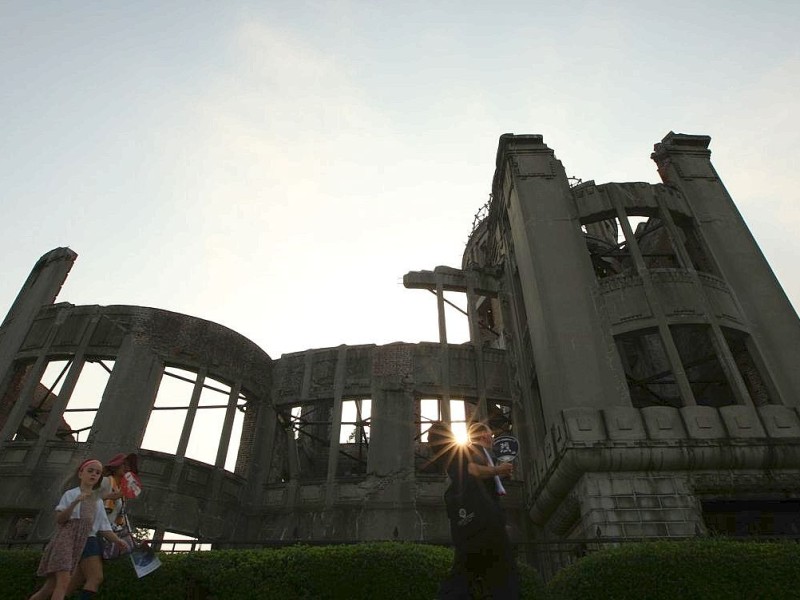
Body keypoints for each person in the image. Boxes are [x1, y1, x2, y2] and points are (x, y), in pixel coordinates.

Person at [437, 422, 518, 599]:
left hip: (475, 523)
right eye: (491, 434)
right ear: (484, 436)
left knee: (464, 573)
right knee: (503, 574)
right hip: (483, 521)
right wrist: (498, 470)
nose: (493, 437)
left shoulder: (479, 454)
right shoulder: (475, 450)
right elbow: (472, 469)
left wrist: (498, 473)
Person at [28, 459, 128, 600]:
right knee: (63, 582)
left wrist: (118, 541)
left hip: (85, 542)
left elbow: (103, 527)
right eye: (90, 471)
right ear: (81, 473)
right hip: (66, 541)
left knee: (51, 586)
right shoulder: (70, 494)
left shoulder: (97, 501)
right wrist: (75, 502)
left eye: (98, 473)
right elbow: (60, 519)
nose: (93, 475)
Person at [66, 452, 139, 598]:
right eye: (123, 464)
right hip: (94, 533)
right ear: (115, 466)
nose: (126, 468)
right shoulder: (106, 481)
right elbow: (90, 497)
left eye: (128, 466)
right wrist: (113, 496)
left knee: (76, 579)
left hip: (102, 533)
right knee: (95, 578)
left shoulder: (120, 488)